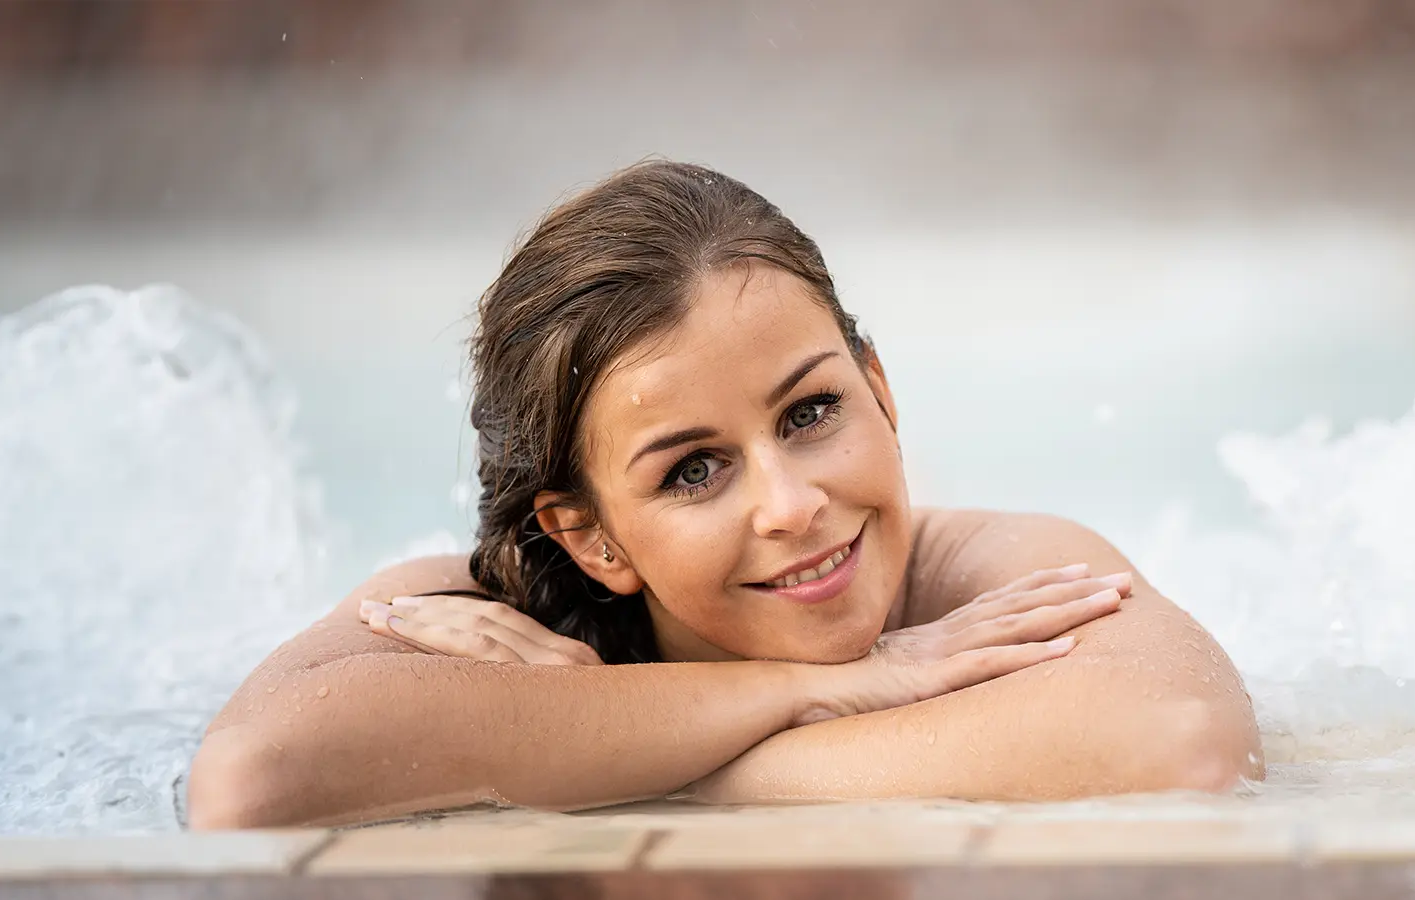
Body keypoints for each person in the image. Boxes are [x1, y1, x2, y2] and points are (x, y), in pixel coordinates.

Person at [187, 161, 1262, 829]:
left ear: (877, 389)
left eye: (810, 413)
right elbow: (247, 784)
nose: (791, 504)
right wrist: (805, 690)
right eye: (692, 470)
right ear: (592, 537)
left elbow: (1181, 738)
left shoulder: (986, 580)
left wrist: (640, 765)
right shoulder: (478, 618)